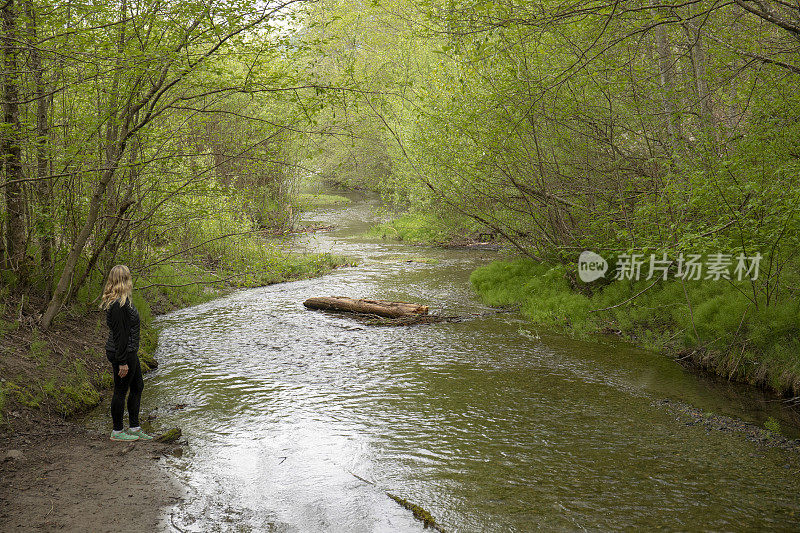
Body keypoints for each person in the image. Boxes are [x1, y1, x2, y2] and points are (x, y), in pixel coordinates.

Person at [101, 265, 152, 442]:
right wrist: (122, 361)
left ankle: (134, 427)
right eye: (129, 277)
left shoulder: (122, 301)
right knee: (121, 391)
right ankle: (117, 432)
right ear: (124, 280)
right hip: (121, 352)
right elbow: (120, 336)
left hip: (128, 351)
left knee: (138, 386)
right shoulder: (118, 305)